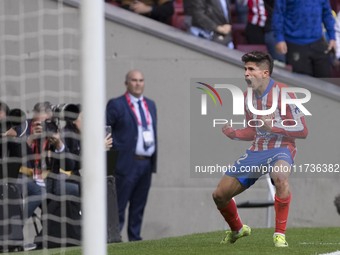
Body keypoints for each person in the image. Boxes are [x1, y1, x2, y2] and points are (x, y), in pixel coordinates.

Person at [212, 51, 308, 248]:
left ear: (265, 73)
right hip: (257, 151)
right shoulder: (247, 96)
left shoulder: (286, 93)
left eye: (251, 69)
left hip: (282, 147)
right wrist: (235, 133)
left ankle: (279, 235)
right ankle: (238, 229)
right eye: (245, 69)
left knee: (280, 177)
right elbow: (253, 131)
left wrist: (272, 128)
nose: (246, 73)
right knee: (219, 195)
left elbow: (303, 130)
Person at [106, 69, 157, 241]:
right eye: (134, 80)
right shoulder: (116, 104)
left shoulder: (150, 104)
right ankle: (114, 238)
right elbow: (104, 128)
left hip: (146, 163)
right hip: (126, 163)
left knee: (138, 206)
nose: (138, 84)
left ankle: (135, 239)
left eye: (141, 80)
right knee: (119, 206)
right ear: (126, 83)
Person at [272, 0, 336, 77]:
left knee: (326, 80)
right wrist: (279, 39)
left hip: (318, 40)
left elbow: (327, 14)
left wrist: (332, 37)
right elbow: (278, 14)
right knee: (303, 84)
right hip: (295, 43)